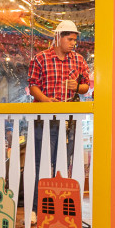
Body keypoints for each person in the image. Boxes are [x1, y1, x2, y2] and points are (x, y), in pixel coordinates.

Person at [27, 20, 90, 204]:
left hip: (69, 121)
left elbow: (86, 86)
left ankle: (58, 205)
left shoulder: (78, 60)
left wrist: (77, 87)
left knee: (64, 162)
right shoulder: (41, 58)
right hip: (45, 118)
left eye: (75, 40)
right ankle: (37, 206)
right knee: (41, 162)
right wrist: (46, 101)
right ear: (58, 37)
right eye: (70, 39)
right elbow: (33, 86)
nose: (73, 43)